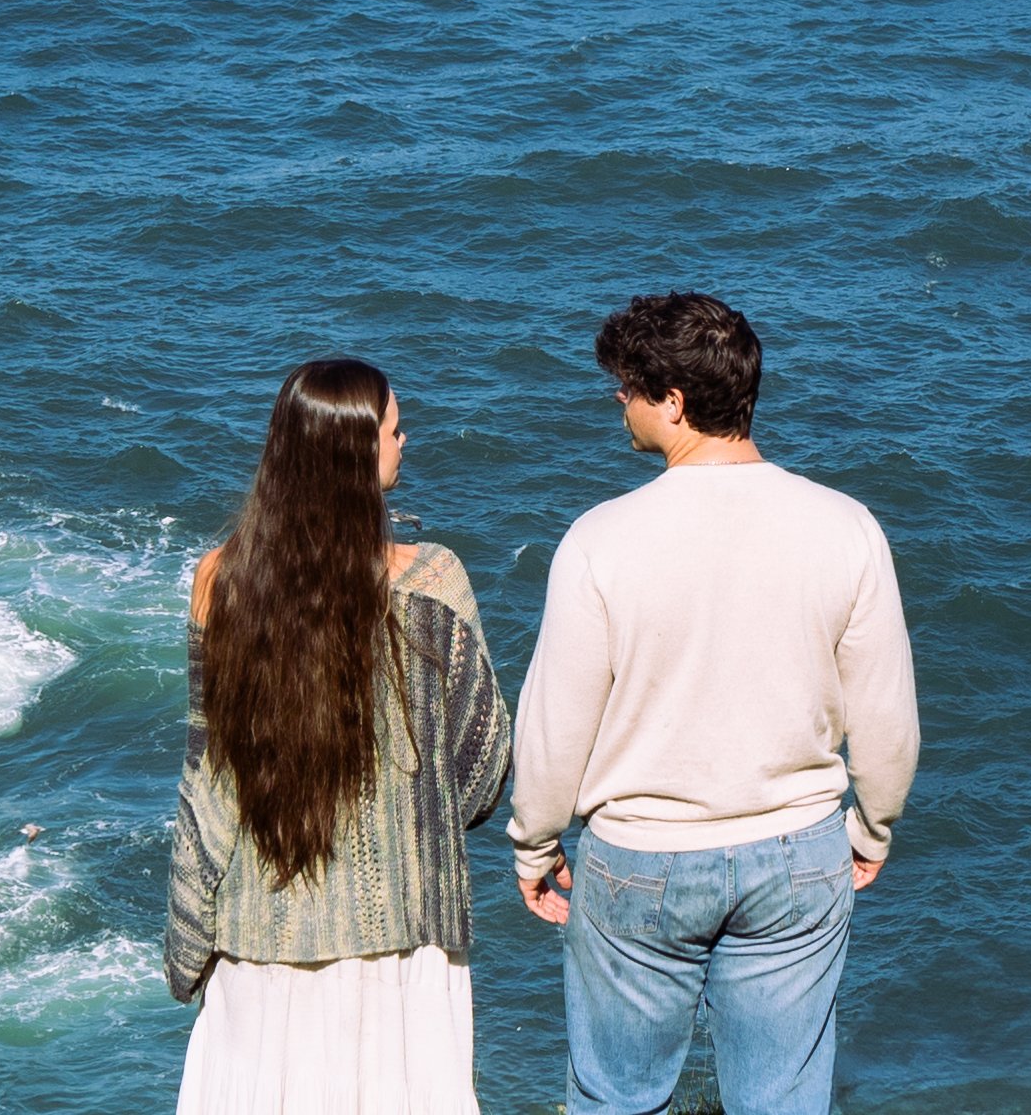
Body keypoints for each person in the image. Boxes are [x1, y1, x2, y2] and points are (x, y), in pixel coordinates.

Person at [508, 293, 921, 1115]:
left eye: (626, 387)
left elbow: (557, 723)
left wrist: (535, 843)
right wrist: (871, 828)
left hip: (639, 858)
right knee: (782, 1100)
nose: (616, 402)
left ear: (673, 402)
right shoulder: (845, 526)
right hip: (798, 854)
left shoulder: (602, 537)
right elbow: (885, 716)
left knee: (617, 1097)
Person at [166, 358, 512, 1114]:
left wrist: (188, 937)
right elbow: (483, 766)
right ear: (357, 454)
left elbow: (208, 779)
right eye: (393, 429)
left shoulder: (218, 583)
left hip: (261, 938)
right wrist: (411, 824)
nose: (405, 440)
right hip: (405, 941)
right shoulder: (434, 582)